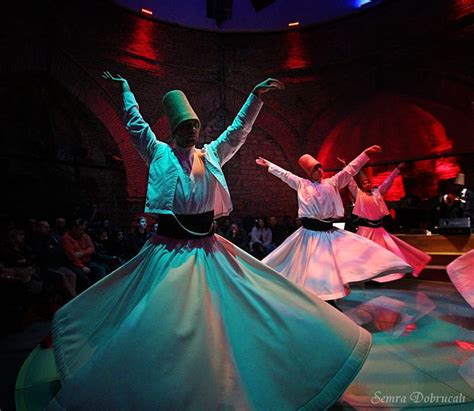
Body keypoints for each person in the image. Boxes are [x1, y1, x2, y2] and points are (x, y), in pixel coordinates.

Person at [46, 72, 372, 410]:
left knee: (235, 311)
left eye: (195, 125)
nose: (192, 130)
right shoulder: (157, 153)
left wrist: (255, 97)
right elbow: (135, 124)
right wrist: (126, 91)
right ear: (173, 130)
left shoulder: (211, 155)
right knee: (163, 321)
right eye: (186, 125)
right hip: (168, 251)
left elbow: (238, 131)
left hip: (208, 248)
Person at [256, 147, 412, 307]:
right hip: (310, 234)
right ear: (309, 172)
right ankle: (320, 300)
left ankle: (331, 300)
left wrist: (365, 154)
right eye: (315, 169)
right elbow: (285, 175)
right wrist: (269, 165)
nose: (320, 171)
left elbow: (349, 170)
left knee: (333, 267)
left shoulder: (332, 182)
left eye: (320, 167)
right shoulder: (301, 184)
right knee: (312, 269)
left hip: (328, 233)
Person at [342, 162, 431, 282]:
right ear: (361, 186)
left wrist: (397, 170)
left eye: (368, 182)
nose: (367, 184)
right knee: (364, 255)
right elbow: (350, 182)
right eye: (364, 183)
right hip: (366, 230)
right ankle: (367, 277)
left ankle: (381, 276)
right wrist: (345, 167)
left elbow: (388, 181)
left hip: (379, 230)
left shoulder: (377, 193)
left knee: (384, 254)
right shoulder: (359, 194)